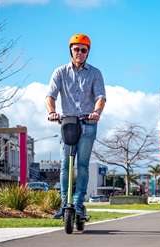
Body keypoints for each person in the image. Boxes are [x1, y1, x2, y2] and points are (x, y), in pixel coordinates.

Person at [47, 33, 106, 219]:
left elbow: (100, 97)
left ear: (88, 52)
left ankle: (79, 204)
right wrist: (52, 112)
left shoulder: (95, 73)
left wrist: (97, 112)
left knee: (82, 165)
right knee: (65, 164)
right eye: (76, 49)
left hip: (88, 123)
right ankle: (65, 204)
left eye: (83, 50)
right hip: (68, 123)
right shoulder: (60, 72)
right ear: (70, 50)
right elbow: (50, 95)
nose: (79, 52)